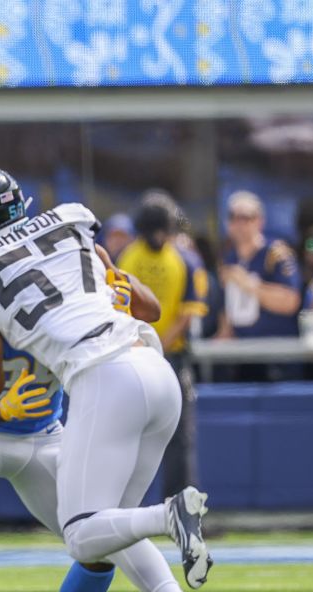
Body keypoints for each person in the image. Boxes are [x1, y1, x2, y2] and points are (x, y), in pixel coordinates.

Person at [0, 165, 225, 592]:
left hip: (103, 378)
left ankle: (169, 516)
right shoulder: (71, 229)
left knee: (84, 532)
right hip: (155, 368)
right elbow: (150, 308)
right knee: (112, 531)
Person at [117, 191, 207, 498]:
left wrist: (153, 344)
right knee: (168, 437)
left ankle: (177, 504)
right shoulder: (129, 258)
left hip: (154, 355)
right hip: (147, 355)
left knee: (177, 437)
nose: (157, 236)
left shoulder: (181, 260)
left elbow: (187, 313)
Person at [218, 190, 302, 340]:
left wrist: (249, 284)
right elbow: (229, 305)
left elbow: (291, 301)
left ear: (259, 221)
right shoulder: (229, 258)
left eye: (245, 217)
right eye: (233, 217)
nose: (239, 224)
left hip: (275, 351)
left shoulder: (275, 253)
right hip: (240, 352)